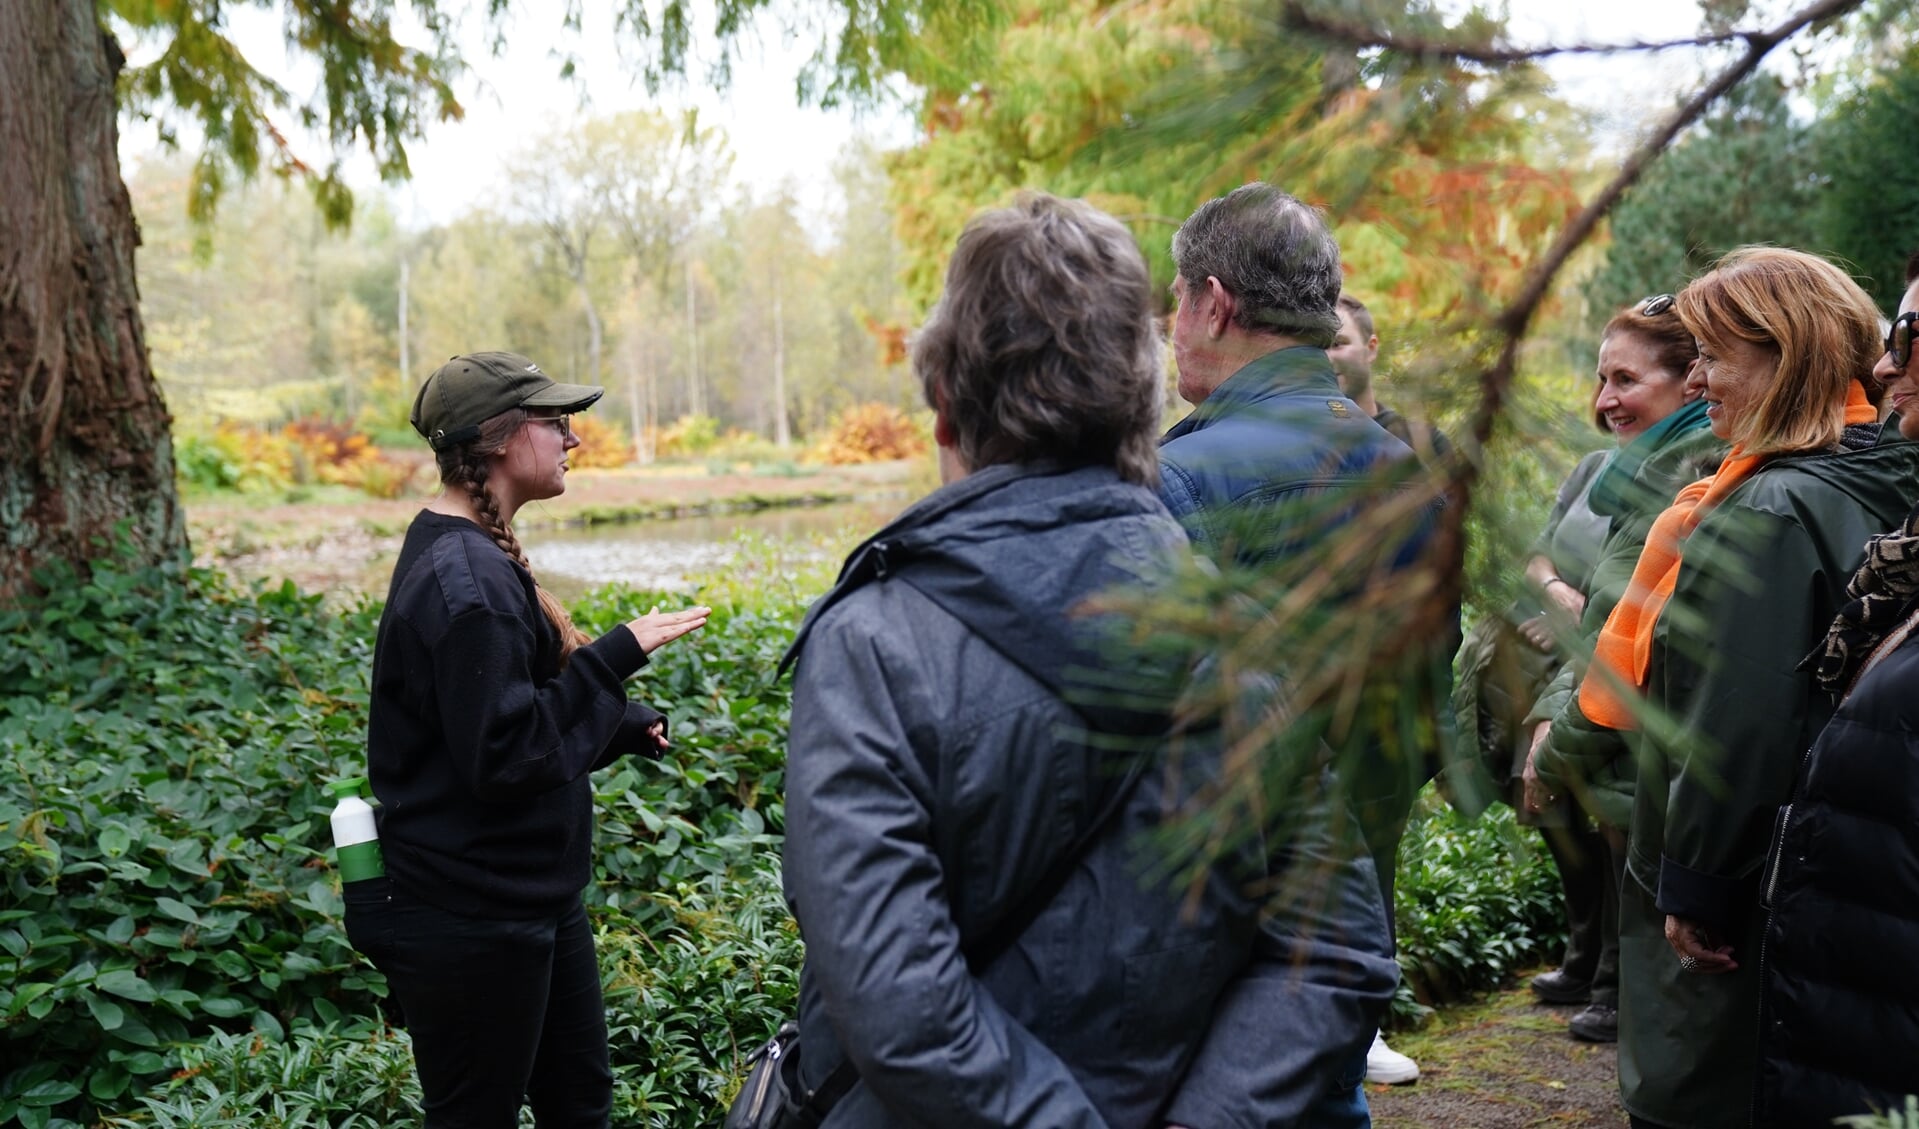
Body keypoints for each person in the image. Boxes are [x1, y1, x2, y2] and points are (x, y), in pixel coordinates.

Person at [779, 193, 1398, 1128]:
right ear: (1138, 404)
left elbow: (896, 1002)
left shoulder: (871, 644)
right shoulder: (1238, 637)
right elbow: (1337, 947)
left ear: (944, 404)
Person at [1548, 248, 1919, 1129]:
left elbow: (1735, 721)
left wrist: (1696, 885)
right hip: (1832, 873)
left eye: (1714, 355)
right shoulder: (1881, 473)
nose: (1699, 378)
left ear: (1782, 355)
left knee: (1699, 1091)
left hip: (1743, 892)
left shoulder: (1759, 508)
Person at [347, 351, 709, 1128]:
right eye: (557, 422)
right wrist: (616, 655)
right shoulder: (468, 584)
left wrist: (618, 720)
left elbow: (502, 711)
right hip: (471, 914)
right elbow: (506, 756)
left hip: (532, 899)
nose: (572, 440)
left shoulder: (472, 549)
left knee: (578, 1105)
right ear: (502, 438)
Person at [1156, 183, 1448, 1102]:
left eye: (1174, 298)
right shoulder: (1411, 477)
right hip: (1344, 940)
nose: (1169, 322)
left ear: (1213, 302)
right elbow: (1421, 707)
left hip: (1214, 934)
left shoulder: (1178, 477)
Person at [1499, 296, 1723, 1046]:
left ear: (1690, 380)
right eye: (1600, 379)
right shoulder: (1613, 470)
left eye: (1624, 379)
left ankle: (1619, 993)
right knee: (1600, 837)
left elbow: (1627, 618)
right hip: (1580, 687)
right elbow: (1548, 559)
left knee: (1630, 848)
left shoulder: (1686, 473)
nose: (1603, 400)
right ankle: (1598, 972)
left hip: (1625, 706)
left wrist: (1555, 735)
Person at [1753, 250, 1919, 1126]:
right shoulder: (1903, 552)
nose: (1885, 362)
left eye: (1910, 337)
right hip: (1851, 1019)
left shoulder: (1772, 506)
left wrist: (1694, 881)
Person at [1328, 293, 1455, 470]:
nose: (1326, 357)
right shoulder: (1294, 443)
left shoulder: (1425, 444)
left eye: (1337, 343)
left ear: (1371, 349)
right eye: (1316, 347)